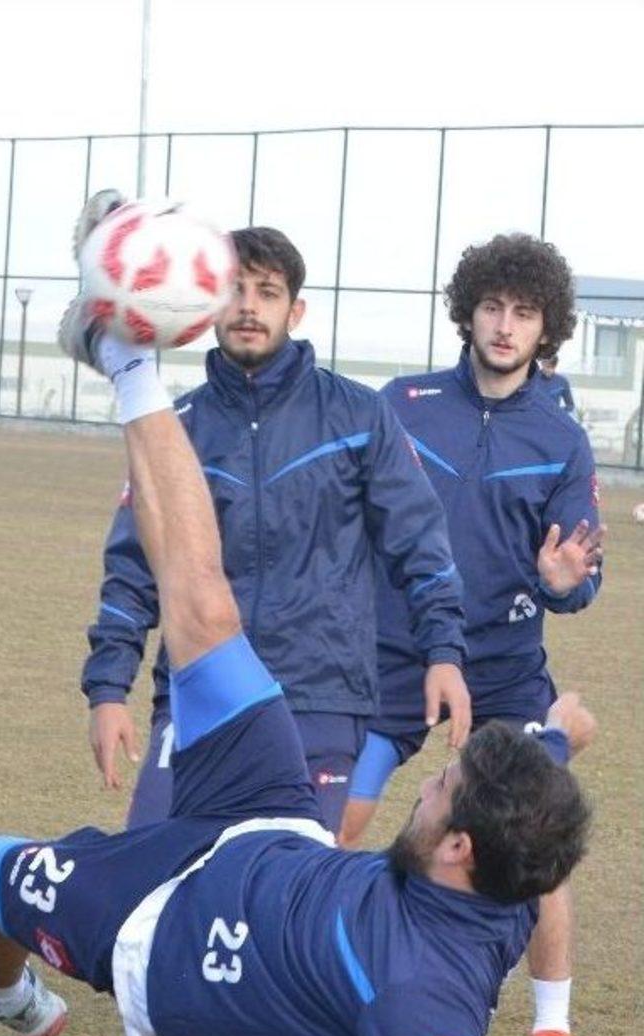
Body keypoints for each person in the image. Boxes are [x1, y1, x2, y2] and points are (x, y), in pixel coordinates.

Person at [0, 306, 595, 1036]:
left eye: (440, 791)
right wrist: (556, 735)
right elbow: (535, 797)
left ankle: (10, 1000)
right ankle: (128, 365)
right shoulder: (510, 872)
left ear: (460, 849)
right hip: (270, 815)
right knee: (206, 605)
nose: (426, 785)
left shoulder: (423, 1000)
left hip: (163, 931)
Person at [82, 191, 470, 843]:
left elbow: (420, 545)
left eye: (267, 292)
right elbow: (134, 567)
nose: (249, 307)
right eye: (234, 290)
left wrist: (445, 653)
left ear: (295, 309)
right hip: (198, 691)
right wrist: (108, 688)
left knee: (288, 891)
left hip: (320, 697)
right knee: (151, 870)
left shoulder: (357, 416)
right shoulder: (177, 429)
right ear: (207, 304)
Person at [339, 233, 604, 1036]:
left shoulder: (563, 438)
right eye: (492, 306)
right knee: (335, 823)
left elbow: (577, 574)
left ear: (546, 327)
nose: (504, 325)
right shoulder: (402, 403)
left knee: (536, 846)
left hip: (501, 668)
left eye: (524, 312)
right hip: (394, 656)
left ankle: (553, 1033)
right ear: (468, 311)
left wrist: (566, 583)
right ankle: (305, 972)